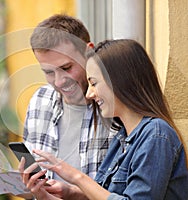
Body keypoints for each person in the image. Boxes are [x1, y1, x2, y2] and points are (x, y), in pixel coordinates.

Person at [0, 14, 115, 198]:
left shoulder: (115, 105)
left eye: (67, 68)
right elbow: (34, 190)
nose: (59, 82)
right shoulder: (40, 101)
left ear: (89, 52)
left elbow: (126, 194)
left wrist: (73, 193)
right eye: (48, 72)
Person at [20, 39, 188, 200]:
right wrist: (56, 195)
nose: (89, 94)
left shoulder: (157, 135)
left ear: (120, 80)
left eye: (94, 83)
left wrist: (76, 177)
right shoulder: (121, 138)